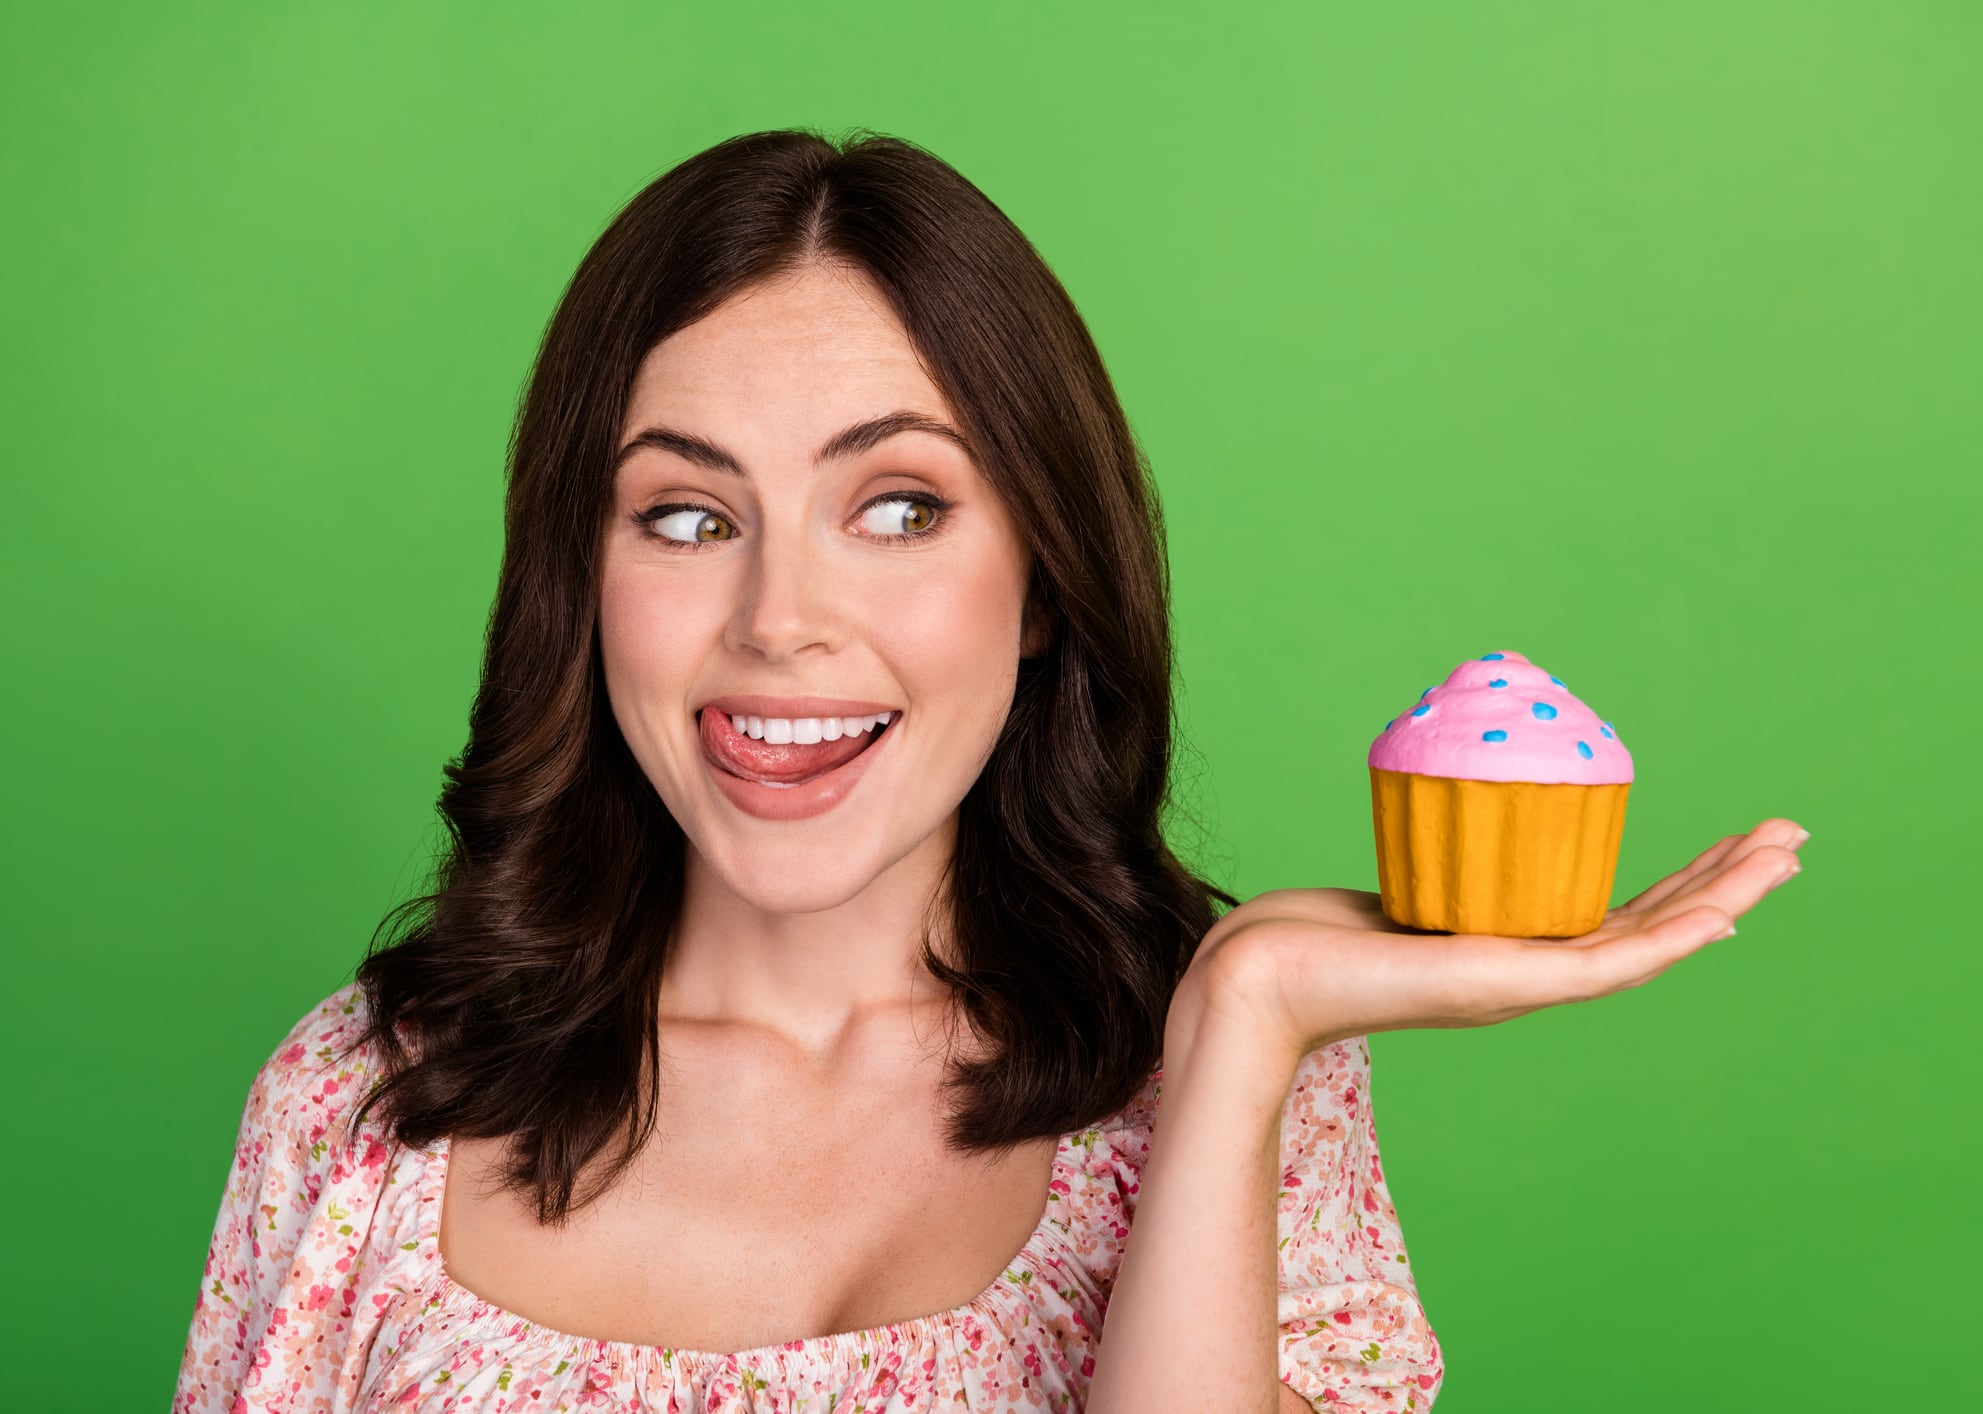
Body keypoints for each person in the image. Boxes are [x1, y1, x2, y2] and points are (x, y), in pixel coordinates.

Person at [171, 128, 1805, 1414]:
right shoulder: (360, 1107)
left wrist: (1238, 1030)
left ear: (1041, 582)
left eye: (897, 506)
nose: (779, 624)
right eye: (685, 513)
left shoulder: (1221, 1090)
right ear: (577, 580)